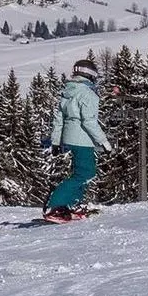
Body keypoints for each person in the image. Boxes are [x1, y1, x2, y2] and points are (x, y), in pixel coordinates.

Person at [43, 58, 111, 223]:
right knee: (86, 173)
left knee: (80, 172)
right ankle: (55, 205)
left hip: (69, 137)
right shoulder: (88, 93)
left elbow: (59, 119)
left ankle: (73, 204)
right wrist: (104, 142)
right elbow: (89, 121)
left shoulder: (68, 91)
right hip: (83, 138)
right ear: (91, 75)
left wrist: (56, 142)